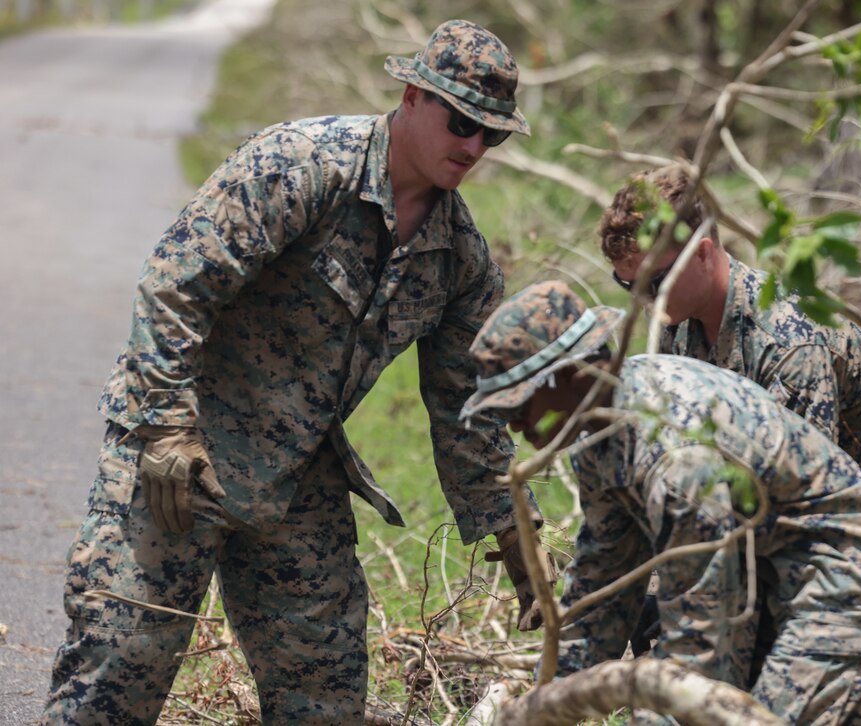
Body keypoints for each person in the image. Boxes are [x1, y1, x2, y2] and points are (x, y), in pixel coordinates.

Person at [42, 19, 553, 724]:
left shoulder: (460, 260)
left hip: (295, 469)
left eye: (490, 134)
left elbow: (468, 408)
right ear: (411, 96)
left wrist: (510, 529)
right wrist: (162, 423)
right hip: (184, 449)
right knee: (116, 670)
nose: (472, 146)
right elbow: (175, 284)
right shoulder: (302, 166)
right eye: (461, 120)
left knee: (325, 689)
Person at [459, 280, 861, 725]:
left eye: (519, 408)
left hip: (859, 579)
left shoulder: (677, 460)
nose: (517, 429)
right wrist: (552, 697)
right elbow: (604, 576)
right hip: (783, 579)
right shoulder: (603, 425)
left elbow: (706, 641)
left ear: (571, 373)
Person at [599, 165, 861, 723]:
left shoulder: (787, 340)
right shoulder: (676, 331)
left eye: (655, 281)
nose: (644, 300)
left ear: (702, 254)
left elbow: (803, 511)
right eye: (630, 287)